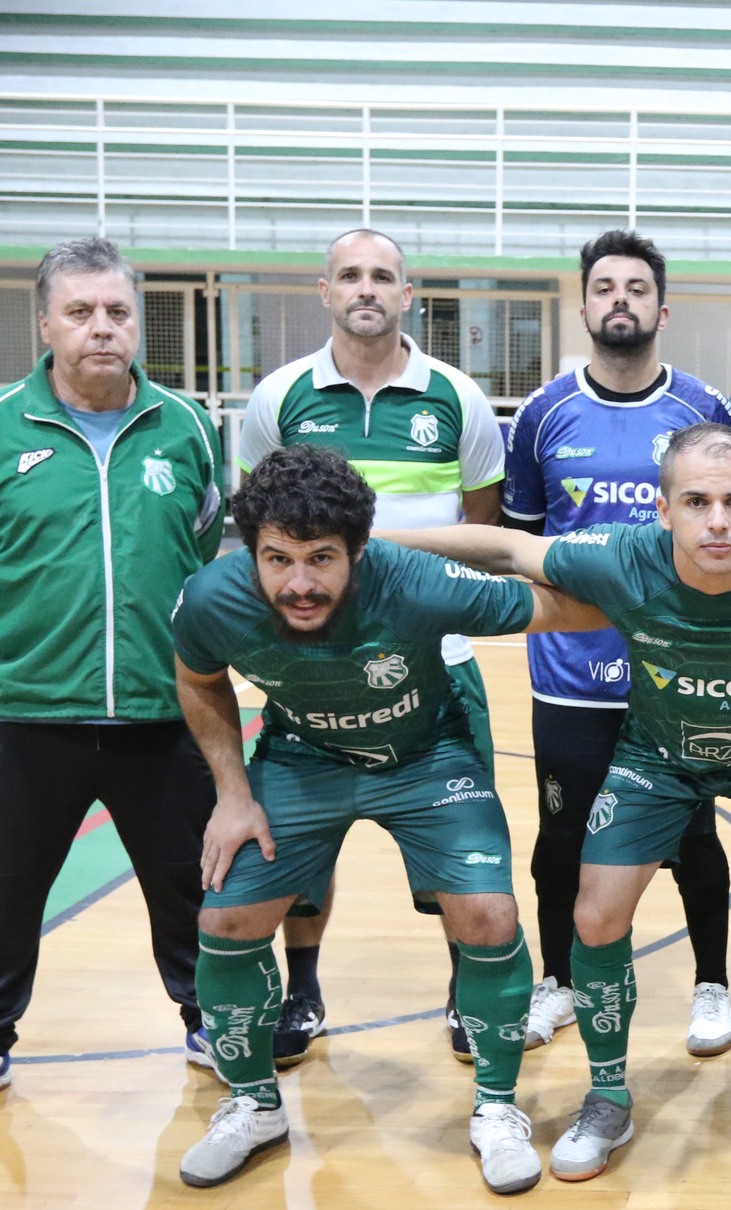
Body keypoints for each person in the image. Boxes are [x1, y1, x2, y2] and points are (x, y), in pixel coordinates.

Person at [384, 423, 731, 1192]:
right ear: (663, 509)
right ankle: (608, 1097)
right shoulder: (620, 555)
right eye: (697, 501)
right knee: (594, 914)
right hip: (658, 756)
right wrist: (373, 541)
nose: (718, 520)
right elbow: (511, 549)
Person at [172, 444, 603, 1193]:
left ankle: (497, 1108)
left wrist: (676, 586)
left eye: (321, 558)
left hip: (427, 754)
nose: (299, 583)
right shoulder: (213, 599)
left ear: (359, 552)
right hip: (302, 757)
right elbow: (197, 678)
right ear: (251, 552)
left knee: (489, 914)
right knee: (226, 918)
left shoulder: (414, 580)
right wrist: (232, 794)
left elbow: (563, 607)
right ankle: (253, 1104)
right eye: (277, 559)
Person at [0, 237, 226, 1130]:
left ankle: (214, 1023)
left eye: (118, 312)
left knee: (192, 888)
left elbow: (202, 547)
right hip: (25, 712)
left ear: (138, 324)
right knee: (1, 894)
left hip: (164, 709)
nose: (102, 328)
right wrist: (28, 630)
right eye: (81, 311)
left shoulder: (187, 427)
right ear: (45, 323)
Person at [237, 227, 508, 1067]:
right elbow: (256, 529)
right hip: (312, 666)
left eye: (383, 276)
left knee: (458, 848)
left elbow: (483, 527)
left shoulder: (457, 399)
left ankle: (466, 988)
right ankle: (302, 989)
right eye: (350, 275)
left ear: (407, 295)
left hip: (436, 663)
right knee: (297, 844)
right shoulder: (278, 399)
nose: (366, 288)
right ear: (325, 292)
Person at [503, 229, 731, 1060]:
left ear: (662, 310)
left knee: (693, 832)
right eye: (605, 288)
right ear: (584, 307)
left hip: (674, 672)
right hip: (569, 676)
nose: (621, 301)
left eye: (637, 289)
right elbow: (521, 543)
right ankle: (560, 981)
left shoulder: (703, 409)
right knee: (561, 837)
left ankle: (712, 983)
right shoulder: (543, 414)